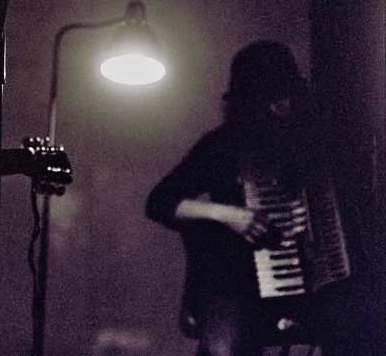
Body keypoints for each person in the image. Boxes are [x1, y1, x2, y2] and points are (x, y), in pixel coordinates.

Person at [145, 40, 374, 356]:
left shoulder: (317, 142)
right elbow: (158, 202)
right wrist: (230, 215)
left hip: (310, 289)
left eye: (285, 97)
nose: (280, 107)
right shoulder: (221, 146)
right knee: (225, 345)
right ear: (247, 102)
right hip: (236, 287)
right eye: (269, 99)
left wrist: (309, 225)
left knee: (364, 324)